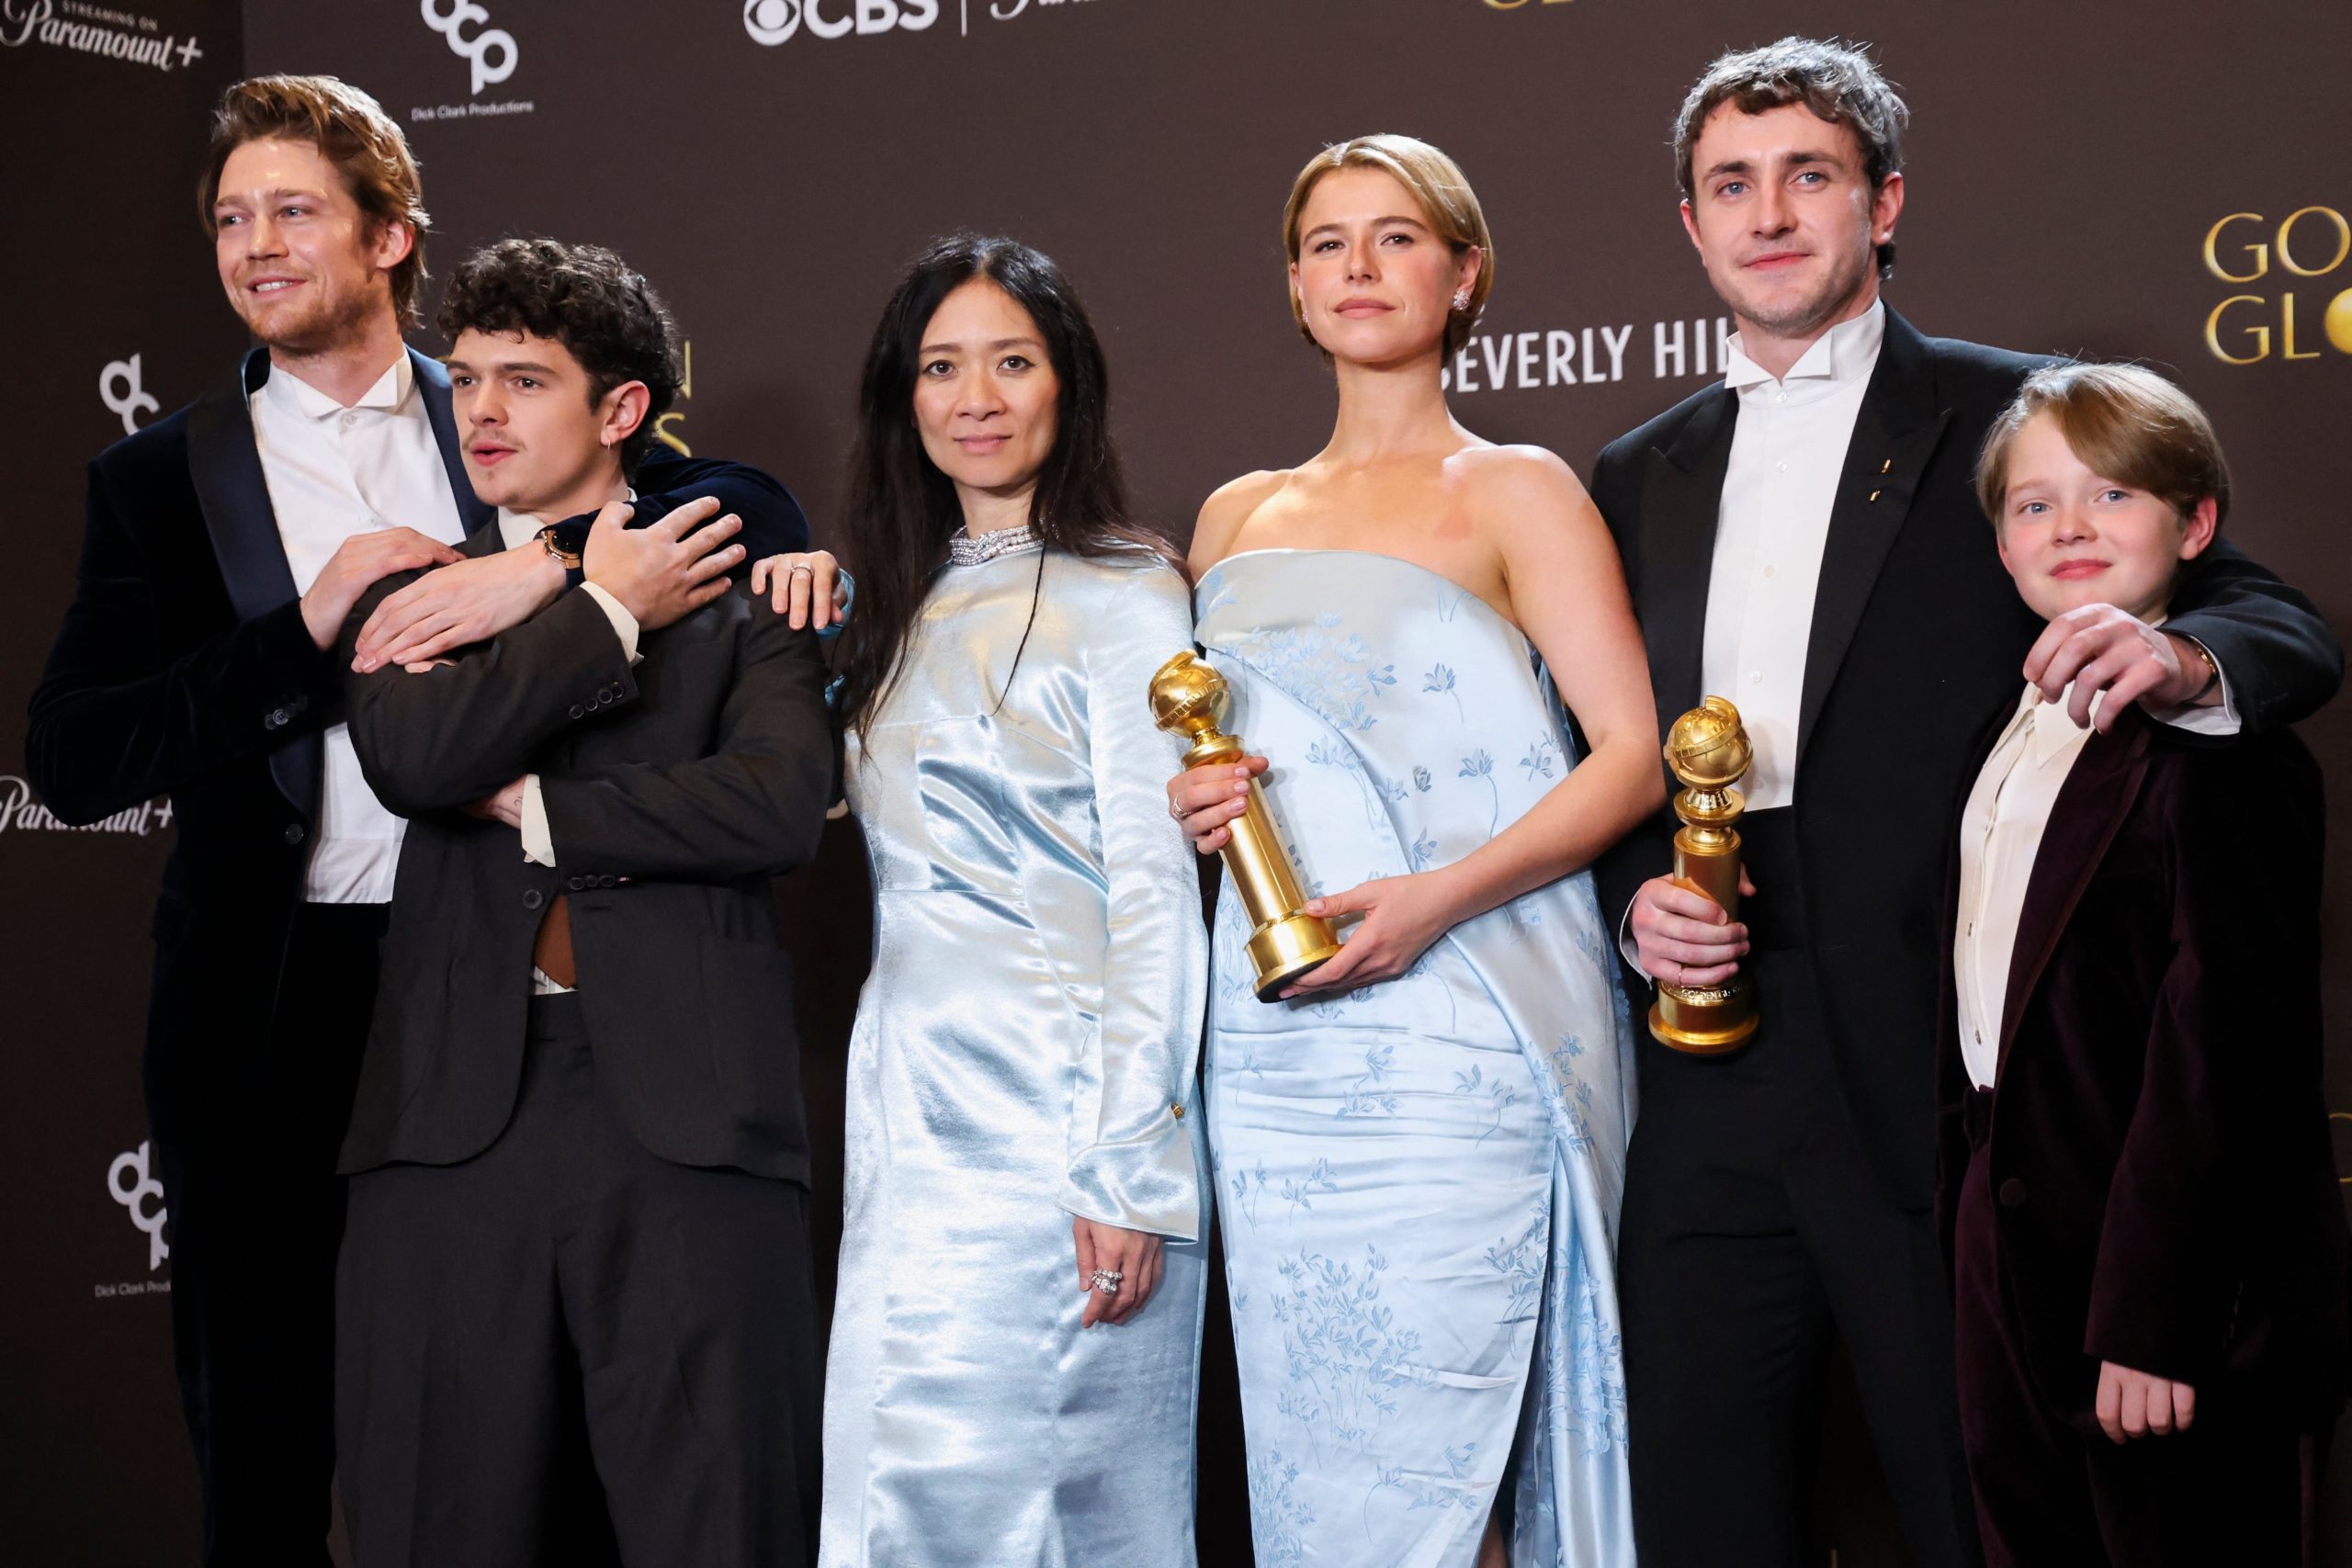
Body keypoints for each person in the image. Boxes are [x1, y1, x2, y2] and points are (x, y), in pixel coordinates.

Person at [1587, 38, 2344, 1567]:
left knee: (1975, 1508)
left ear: (1886, 201)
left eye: (1811, 175)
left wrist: (2181, 657)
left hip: (1936, 1081)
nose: (1771, 212)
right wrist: (1631, 901)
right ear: (1690, 225)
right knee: (1698, 1505)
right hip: (1703, 1078)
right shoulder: (1635, 472)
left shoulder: (2018, 422)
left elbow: (2270, 619)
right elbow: (1595, 758)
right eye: (1732, 184)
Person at [22, 75, 773, 1566]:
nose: (255, 245)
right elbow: (76, 757)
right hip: (269, 1004)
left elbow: (741, 501)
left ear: (391, 238)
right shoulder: (154, 479)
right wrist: (302, 626)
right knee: (269, 1438)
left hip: (490, 981)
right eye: (231, 219)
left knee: (517, 1427)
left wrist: (541, 564)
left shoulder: (501, 407)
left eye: (294, 210)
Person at [1166, 134, 1659, 1567]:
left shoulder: (1519, 488)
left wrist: (1432, 905)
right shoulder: (1231, 517)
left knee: (1457, 1466)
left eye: (1395, 237)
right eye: (1328, 243)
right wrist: (1194, 812)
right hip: (1276, 1056)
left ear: (1465, 275)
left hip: (1463, 1029)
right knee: (1330, 1479)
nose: (1360, 267)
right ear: (1297, 289)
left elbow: (1629, 754)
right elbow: (1221, 774)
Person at [330, 236, 834, 1565]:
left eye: (527, 382)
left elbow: (775, 807)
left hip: (689, 1120)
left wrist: (546, 814)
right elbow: (419, 759)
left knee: (720, 1524)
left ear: (622, 410)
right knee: (435, 1525)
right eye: (471, 380)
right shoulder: (409, 590)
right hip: (449, 1122)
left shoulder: (744, 594)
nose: (482, 411)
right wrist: (599, 604)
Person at [818, 235, 1209, 1567]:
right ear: (901, 398)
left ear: (1067, 385)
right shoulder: (885, 612)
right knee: (895, 1503)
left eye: (1010, 360)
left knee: (1061, 1508)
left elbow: (1157, 895)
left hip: (1064, 1133)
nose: (974, 396)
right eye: (940, 366)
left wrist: (1134, 1170)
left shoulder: (1129, 592)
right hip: (910, 1125)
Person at [1939, 362, 2350, 1566]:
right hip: (2007, 1255)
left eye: (2112, 495)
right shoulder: (2001, 723)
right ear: (2002, 547)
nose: (2068, 527)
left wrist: (2157, 1320)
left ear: (2197, 526)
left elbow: (2225, 1043)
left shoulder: (2224, 744)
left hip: (2163, 1296)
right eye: (2033, 504)